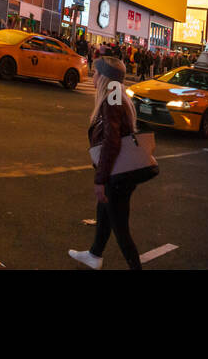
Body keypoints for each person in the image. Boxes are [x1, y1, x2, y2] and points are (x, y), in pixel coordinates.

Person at [69, 57, 151, 270]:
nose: (93, 76)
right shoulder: (116, 96)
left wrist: (100, 179)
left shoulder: (112, 100)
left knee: (120, 229)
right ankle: (94, 255)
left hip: (116, 176)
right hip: (119, 174)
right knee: (104, 212)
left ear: (104, 78)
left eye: (96, 73)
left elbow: (111, 142)